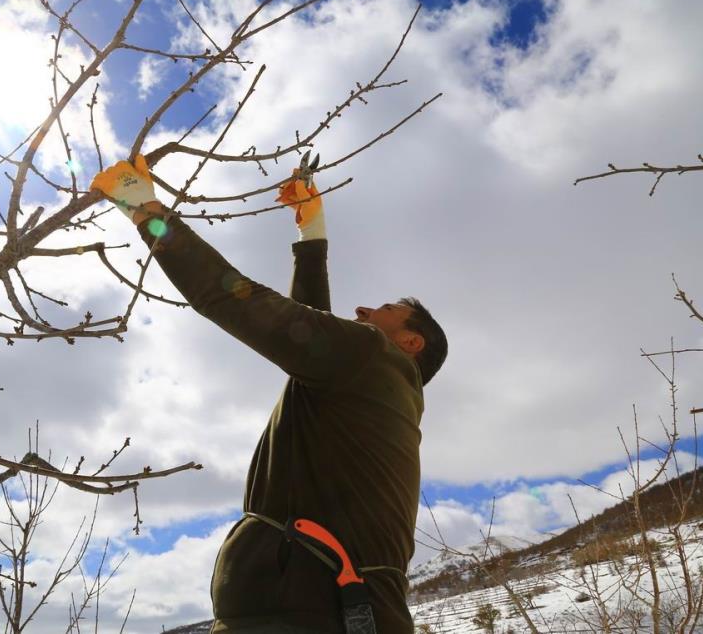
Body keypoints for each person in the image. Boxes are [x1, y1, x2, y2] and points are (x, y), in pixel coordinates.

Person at [89, 155, 448, 634]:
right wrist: (310, 234)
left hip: (307, 613)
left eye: (384, 309)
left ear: (411, 342)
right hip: (334, 609)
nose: (363, 310)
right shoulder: (377, 388)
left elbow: (238, 301)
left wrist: (147, 211)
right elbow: (306, 330)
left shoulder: (372, 355)